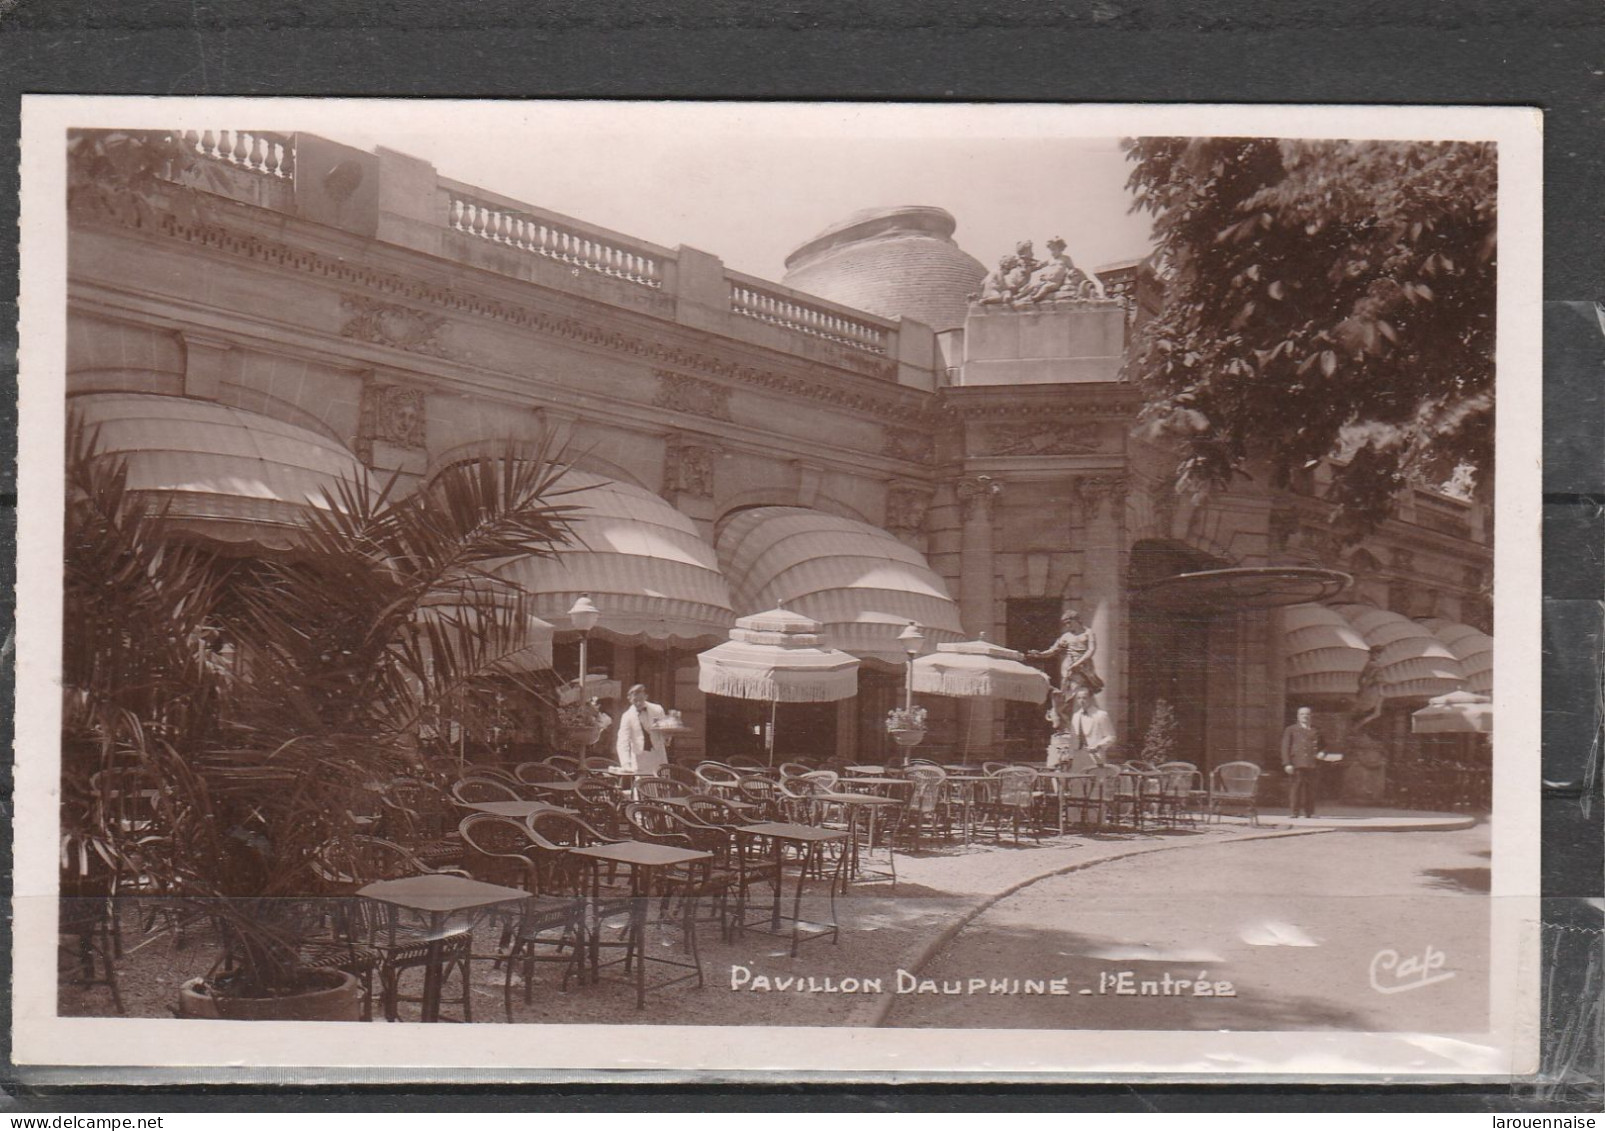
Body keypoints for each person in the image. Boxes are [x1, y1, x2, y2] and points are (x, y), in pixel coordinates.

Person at [1028, 609, 1103, 697]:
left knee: (1084, 692)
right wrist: (1040, 654)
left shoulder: (1088, 633)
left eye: (1069, 622)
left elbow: (1091, 650)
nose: (1067, 626)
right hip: (1070, 667)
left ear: (1076, 620)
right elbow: (1053, 650)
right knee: (1071, 691)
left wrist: (1078, 663)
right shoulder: (1066, 636)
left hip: (1084, 667)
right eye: (1065, 624)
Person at [615, 683, 671, 776]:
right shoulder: (627, 716)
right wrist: (625, 764)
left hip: (658, 754)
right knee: (643, 786)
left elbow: (665, 730)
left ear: (646, 696)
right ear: (629, 699)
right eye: (635, 700)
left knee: (662, 784)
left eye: (640, 700)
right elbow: (622, 741)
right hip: (640, 758)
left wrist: (667, 737)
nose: (638, 703)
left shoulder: (657, 709)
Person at [1281, 705, 1324, 818]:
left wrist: (1322, 752)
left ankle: (1310, 812)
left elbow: (1324, 745)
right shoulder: (1291, 729)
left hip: (1312, 763)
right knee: (1296, 788)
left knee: (1311, 789)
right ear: (1298, 716)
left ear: (1311, 716)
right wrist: (1287, 763)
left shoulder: (1316, 730)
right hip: (1297, 763)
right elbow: (1285, 747)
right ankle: (1294, 812)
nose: (1305, 716)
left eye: (1307, 714)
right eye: (1302, 714)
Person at [1065, 689, 1116, 773]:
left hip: (1095, 756)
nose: (1081, 701)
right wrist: (1070, 757)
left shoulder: (1100, 715)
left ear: (1091, 699)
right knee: (1077, 782)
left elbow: (1111, 737)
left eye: (1084, 698)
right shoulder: (1076, 716)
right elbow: (1073, 738)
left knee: (1095, 782)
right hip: (1078, 756)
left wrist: (1098, 746)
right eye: (1079, 698)